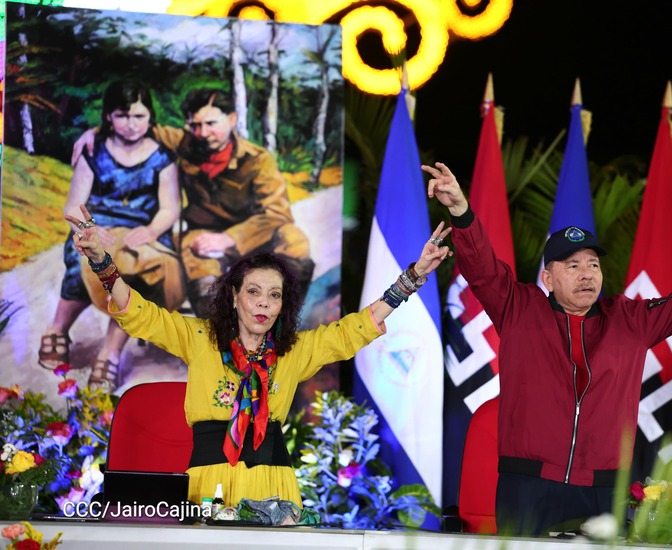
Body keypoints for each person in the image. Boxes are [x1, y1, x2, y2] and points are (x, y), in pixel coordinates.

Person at [422, 161, 672, 537]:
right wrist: (460, 211)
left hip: (603, 491)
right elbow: (482, 268)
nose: (586, 274)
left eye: (593, 265)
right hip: (527, 486)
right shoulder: (517, 308)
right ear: (547, 278)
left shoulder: (629, 319)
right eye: (572, 265)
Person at [66, 203, 452, 509]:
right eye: (253, 292)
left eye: (274, 295)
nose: (264, 303)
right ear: (234, 297)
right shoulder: (200, 338)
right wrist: (100, 260)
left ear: (283, 305)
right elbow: (141, 314)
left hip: (275, 486)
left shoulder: (294, 351)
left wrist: (413, 277)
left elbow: (354, 329)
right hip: (207, 484)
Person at [74, 87, 314, 318]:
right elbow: (140, 127)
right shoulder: (185, 142)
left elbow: (277, 213)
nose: (203, 132)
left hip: (253, 234)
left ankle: (281, 318)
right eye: (196, 125)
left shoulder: (258, 159)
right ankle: (217, 329)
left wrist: (229, 238)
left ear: (231, 119)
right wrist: (95, 132)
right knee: (196, 257)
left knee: (295, 241)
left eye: (211, 123)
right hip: (203, 231)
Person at [39, 80, 182, 391]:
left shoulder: (162, 158)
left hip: (143, 231)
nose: (131, 124)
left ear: (150, 117)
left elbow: (170, 208)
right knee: (81, 260)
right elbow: (73, 205)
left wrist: (151, 231)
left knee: (136, 275)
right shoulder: (95, 152)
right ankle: (57, 329)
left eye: (139, 116)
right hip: (97, 226)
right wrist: (87, 228)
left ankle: (110, 352)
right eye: (122, 115)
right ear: (108, 117)